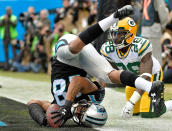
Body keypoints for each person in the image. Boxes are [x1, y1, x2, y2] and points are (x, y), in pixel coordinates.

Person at [27, 5, 164, 127]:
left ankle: (112, 18)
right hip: (79, 55)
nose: (81, 111)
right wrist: (67, 106)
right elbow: (77, 81)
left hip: (63, 59)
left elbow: (33, 103)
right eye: (84, 112)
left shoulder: (60, 107)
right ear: (90, 106)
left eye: (81, 114)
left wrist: (43, 119)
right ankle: (151, 87)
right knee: (108, 75)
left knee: (74, 51)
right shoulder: (95, 97)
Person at [100, 17, 172, 118]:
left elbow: (145, 77)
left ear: (130, 34)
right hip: (132, 78)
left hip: (151, 75)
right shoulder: (108, 49)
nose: (115, 38)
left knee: (149, 113)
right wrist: (96, 98)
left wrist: (131, 102)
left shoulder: (141, 45)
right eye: (113, 33)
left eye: (120, 34)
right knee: (134, 113)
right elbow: (108, 74)